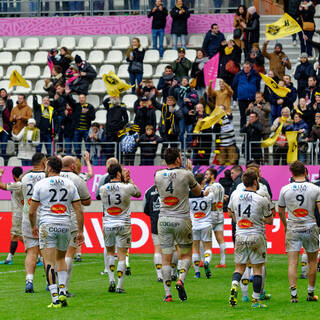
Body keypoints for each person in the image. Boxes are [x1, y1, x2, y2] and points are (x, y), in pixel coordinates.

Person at [29, 156, 84, 308]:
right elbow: (79, 210)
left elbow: (32, 211)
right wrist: (80, 230)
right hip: (65, 225)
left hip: (47, 224)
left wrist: (34, 226)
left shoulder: (41, 184)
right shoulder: (70, 184)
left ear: (49, 168)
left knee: (49, 262)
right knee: (61, 259)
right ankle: (62, 291)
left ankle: (54, 298)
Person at [155, 148, 202, 302]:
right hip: (182, 219)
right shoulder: (185, 174)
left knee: (166, 258)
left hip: (164, 220)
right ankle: (181, 279)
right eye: (180, 157)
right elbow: (198, 192)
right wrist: (190, 173)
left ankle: (168, 294)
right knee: (187, 254)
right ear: (177, 159)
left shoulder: (158, 175)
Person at [228, 169, 273, 308]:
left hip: (240, 235)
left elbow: (230, 211)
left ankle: (234, 286)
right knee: (257, 269)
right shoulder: (261, 199)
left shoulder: (235, 196)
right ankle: (255, 301)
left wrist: (238, 221)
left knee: (239, 268)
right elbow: (270, 220)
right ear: (256, 181)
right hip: (256, 235)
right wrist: (261, 218)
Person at [278, 161, 320, 303]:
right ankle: (310, 293)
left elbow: (280, 210)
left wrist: (285, 224)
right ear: (306, 172)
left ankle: (294, 296)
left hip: (293, 227)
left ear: (292, 173)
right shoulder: (315, 188)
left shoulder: (285, 189)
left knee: (292, 263)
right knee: (312, 261)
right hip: (310, 226)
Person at [100, 164, 141, 293]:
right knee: (122, 254)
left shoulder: (102, 188)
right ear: (118, 174)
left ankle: (111, 280)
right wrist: (129, 180)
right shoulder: (127, 187)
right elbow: (138, 193)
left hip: (108, 223)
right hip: (123, 223)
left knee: (110, 252)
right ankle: (119, 285)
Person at [59, 156, 91, 296]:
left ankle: (53, 285)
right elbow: (87, 201)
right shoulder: (77, 179)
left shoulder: (51, 177)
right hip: (70, 217)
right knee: (69, 253)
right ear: (72, 166)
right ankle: (64, 288)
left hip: (51, 217)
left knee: (55, 254)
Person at [21, 153, 47, 293]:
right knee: (46, 252)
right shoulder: (47, 178)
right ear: (44, 162)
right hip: (44, 217)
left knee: (31, 252)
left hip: (28, 217)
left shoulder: (24, 178)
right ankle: (50, 282)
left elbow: (22, 198)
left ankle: (29, 281)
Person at [190, 173, 214, 279]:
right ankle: (207, 262)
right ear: (203, 182)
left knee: (195, 248)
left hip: (194, 224)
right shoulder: (209, 194)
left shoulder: (188, 194)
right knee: (207, 247)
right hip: (206, 224)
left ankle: (197, 273)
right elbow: (213, 207)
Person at [0, 167, 23, 265]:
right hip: (26, 213)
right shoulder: (25, 183)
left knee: (17, 235)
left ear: (13, 175)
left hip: (18, 214)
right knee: (17, 235)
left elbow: (1, 186)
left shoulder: (17, 185)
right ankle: (10, 257)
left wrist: (0, 174)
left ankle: (39, 256)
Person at [65, 86, 96, 159]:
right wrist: (67, 94)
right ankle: (78, 162)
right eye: (80, 98)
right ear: (78, 99)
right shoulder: (76, 105)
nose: (81, 99)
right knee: (77, 148)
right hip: (77, 130)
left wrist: (87, 113)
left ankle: (89, 162)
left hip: (86, 130)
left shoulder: (90, 106)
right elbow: (70, 101)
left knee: (88, 148)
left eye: (83, 97)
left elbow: (93, 117)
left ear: (85, 98)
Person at [204, 168, 226, 268]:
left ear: (212, 175)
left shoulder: (211, 187)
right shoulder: (221, 186)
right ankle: (222, 262)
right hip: (220, 213)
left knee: (203, 238)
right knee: (220, 239)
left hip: (211, 214)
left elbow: (208, 199)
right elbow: (223, 198)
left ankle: (203, 260)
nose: (205, 176)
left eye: (207, 174)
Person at [143, 179, 162, 281]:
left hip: (155, 222)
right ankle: (172, 273)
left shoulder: (148, 191)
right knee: (172, 248)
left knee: (157, 249)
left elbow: (145, 209)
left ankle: (159, 275)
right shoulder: (169, 189)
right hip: (168, 220)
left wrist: (154, 215)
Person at [232, 62, 261, 128]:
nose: (246, 69)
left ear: (250, 68)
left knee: (253, 115)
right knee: (243, 116)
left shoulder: (255, 75)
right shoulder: (238, 75)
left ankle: (253, 131)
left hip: (252, 99)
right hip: (242, 99)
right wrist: (234, 99)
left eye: (247, 67)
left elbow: (258, 86)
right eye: (244, 67)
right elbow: (234, 86)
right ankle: (243, 132)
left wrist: (257, 98)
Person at [246, 92, 271, 164]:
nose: (257, 99)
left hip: (265, 129)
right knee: (257, 146)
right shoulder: (253, 105)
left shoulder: (266, 104)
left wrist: (262, 107)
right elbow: (246, 113)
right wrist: (248, 108)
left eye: (259, 97)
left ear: (262, 97)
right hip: (257, 129)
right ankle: (259, 160)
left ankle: (266, 161)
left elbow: (269, 110)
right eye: (256, 97)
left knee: (266, 146)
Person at [0, 95, 12, 160]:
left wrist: (3, 111)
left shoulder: (6, 109)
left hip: (4, 130)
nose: (0, 102)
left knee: (4, 146)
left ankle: (3, 160)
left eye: (2, 101)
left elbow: (8, 119)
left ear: (4, 102)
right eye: (0, 101)